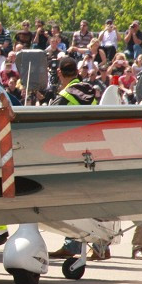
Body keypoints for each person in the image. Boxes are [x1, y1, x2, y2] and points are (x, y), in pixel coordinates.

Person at [47, 57, 101, 259]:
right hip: (92, 149)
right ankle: (98, 246)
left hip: (69, 151)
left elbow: (48, 119)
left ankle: (72, 245)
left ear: (60, 73)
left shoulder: (64, 94)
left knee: (72, 201)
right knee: (91, 201)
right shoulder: (89, 90)